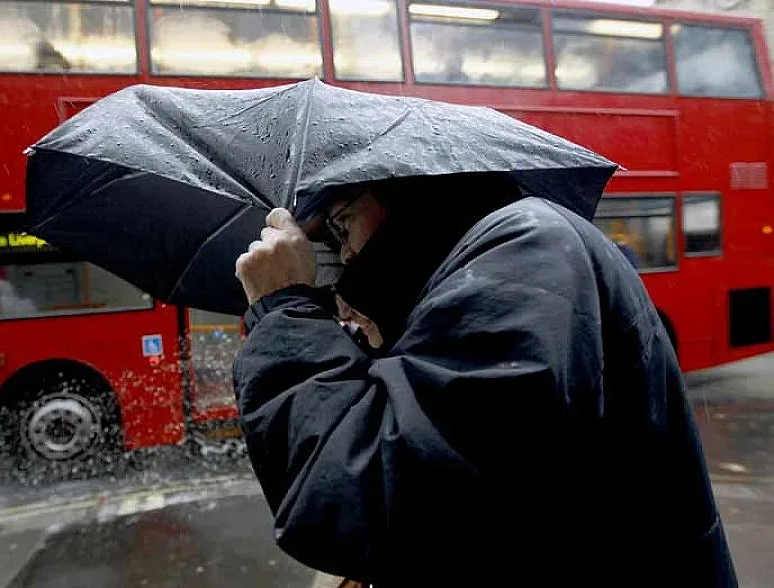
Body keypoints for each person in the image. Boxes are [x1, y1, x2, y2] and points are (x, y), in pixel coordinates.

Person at [233, 174, 736, 587]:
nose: (343, 256)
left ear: (405, 191)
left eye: (344, 224)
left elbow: (363, 500)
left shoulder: (525, 245)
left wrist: (283, 310)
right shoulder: (482, 267)